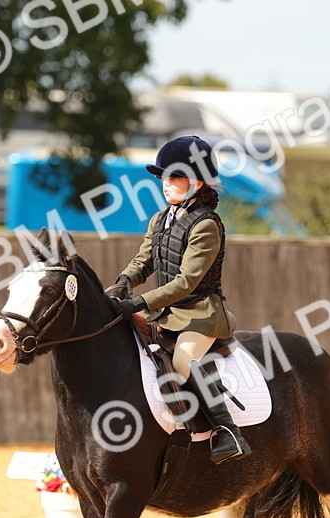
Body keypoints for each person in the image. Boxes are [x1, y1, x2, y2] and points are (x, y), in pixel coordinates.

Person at [105, 135, 251, 465]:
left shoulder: (206, 226)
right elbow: (145, 260)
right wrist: (123, 282)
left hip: (200, 314)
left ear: (197, 181)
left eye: (174, 177)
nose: (165, 184)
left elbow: (186, 282)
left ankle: (227, 432)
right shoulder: (160, 219)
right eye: (163, 178)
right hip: (166, 314)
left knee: (184, 361)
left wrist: (140, 303)